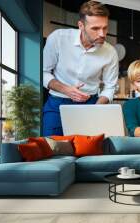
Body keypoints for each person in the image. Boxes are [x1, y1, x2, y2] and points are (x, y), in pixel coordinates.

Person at [42, 1, 119, 136]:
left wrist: (95, 109)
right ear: (81, 25)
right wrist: (67, 90)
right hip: (57, 102)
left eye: (105, 28)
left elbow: (110, 87)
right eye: (95, 28)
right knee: (52, 148)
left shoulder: (110, 52)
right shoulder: (58, 38)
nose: (102, 34)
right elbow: (44, 72)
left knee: (89, 151)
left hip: (91, 104)